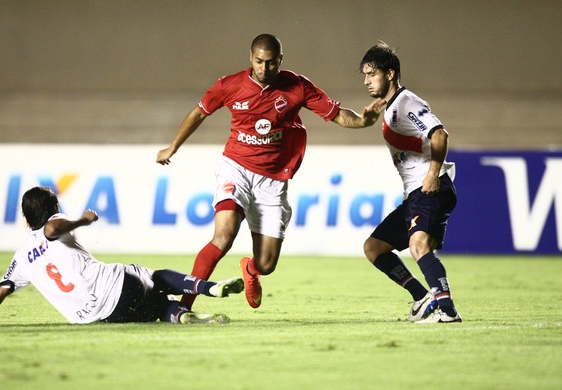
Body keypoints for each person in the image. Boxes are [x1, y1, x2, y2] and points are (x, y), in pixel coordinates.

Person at [156, 33, 386, 310]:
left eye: (271, 63)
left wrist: (363, 121)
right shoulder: (229, 85)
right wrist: (173, 147)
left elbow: (336, 114)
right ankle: (184, 305)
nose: (264, 68)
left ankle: (251, 270)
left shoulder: (297, 86)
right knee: (224, 235)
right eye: (259, 61)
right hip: (236, 169)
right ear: (250, 58)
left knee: (266, 263)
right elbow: (199, 112)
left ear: (281, 60)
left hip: (272, 182)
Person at [0, 186, 244, 325]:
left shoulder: (21, 257)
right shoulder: (55, 222)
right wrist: (83, 221)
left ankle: (186, 317)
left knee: (158, 308)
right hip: (118, 285)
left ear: (26, 217)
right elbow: (51, 228)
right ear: (51, 207)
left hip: (102, 316)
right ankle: (210, 287)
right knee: (156, 278)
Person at [358, 42, 462, 323]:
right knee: (374, 247)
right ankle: (422, 297)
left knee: (419, 245)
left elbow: (440, 135)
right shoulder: (391, 107)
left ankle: (447, 310)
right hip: (415, 194)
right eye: (364, 75)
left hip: (432, 187)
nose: (367, 81)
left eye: (372, 74)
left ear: (390, 74)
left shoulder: (407, 103)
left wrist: (431, 174)